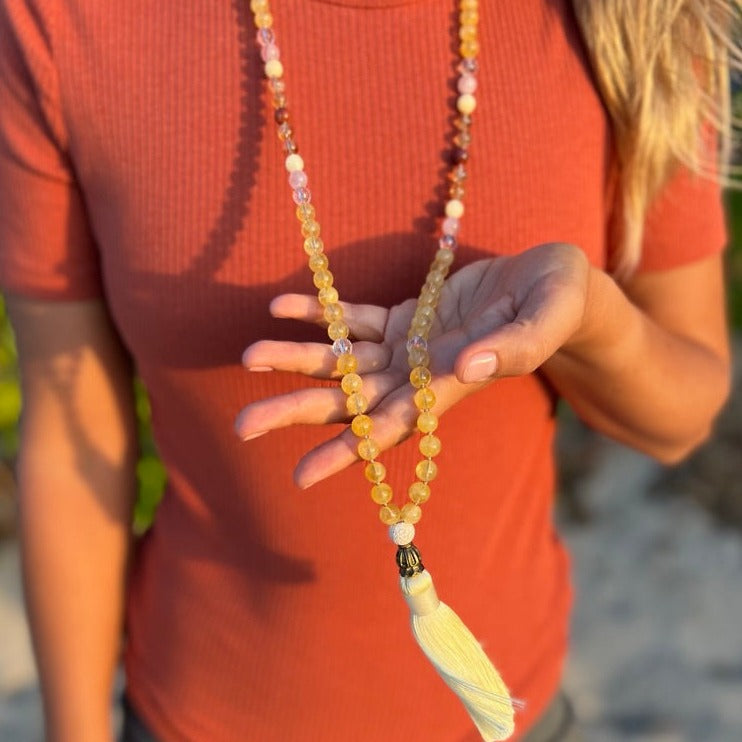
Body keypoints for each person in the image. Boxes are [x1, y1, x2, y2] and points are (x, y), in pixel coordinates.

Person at [0, 0, 736, 740]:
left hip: (505, 710)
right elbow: (72, 441)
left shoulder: (627, 17)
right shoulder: (65, 24)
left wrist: (587, 318)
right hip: (194, 709)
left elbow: (680, 422)